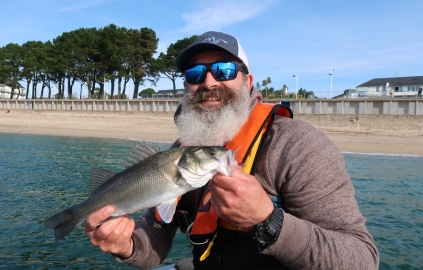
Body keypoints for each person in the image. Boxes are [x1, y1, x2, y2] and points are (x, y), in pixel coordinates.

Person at [85, 31, 379, 269]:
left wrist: (270, 221)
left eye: (224, 70)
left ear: (248, 82)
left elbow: (362, 259)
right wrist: (127, 246)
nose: (209, 82)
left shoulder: (298, 145)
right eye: (195, 73)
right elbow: (156, 237)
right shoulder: (182, 152)